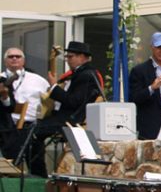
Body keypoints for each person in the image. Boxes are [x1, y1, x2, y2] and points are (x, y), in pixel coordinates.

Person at [30, 41, 106, 176]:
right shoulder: (78, 73)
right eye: (67, 57)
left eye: (70, 57)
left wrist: (54, 87)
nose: (68, 60)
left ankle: (38, 174)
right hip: (65, 117)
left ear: (82, 57)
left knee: (33, 132)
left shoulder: (86, 75)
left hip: (71, 120)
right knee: (32, 128)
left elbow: (73, 102)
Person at [129, 31, 161, 140]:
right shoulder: (140, 70)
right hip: (152, 120)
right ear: (152, 48)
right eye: (159, 48)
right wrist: (152, 88)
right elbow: (134, 97)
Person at [3, 47, 47, 127]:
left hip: (30, 127)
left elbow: (49, 102)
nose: (14, 58)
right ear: (5, 61)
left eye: (18, 56)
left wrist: (41, 119)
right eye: (11, 56)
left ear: (23, 61)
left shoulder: (38, 80)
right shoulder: (1, 79)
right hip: (5, 127)